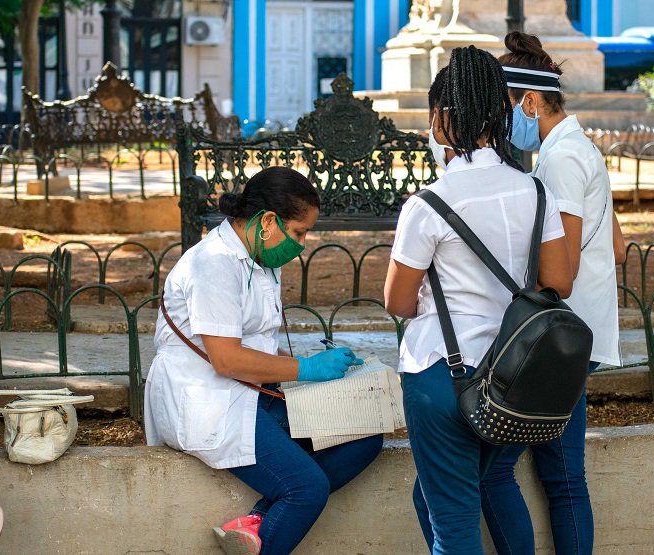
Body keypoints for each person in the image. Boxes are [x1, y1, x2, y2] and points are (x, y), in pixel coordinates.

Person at [384, 46, 574, 555]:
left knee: (453, 525)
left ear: (443, 119)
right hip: (511, 379)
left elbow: (398, 302)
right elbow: (558, 282)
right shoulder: (536, 192)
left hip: (441, 376)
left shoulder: (427, 204)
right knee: (441, 497)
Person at [144, 166, 383, 555]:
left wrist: (310, 363)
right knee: (306, 489)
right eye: (299, 232)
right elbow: (226, 359)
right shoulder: (214, 263)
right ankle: (268, 526)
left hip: (250, 393)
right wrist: (308, 369)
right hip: (208, 402)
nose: (302, 243)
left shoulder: (259, 259)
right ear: (268, 221)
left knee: (364, 437)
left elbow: (256, 343)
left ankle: (256, 523)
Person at [479, 31, 625, 555]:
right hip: (577, 336)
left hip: (554, 341)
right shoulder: (579, 149)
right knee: (563, 476)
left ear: (529, 102)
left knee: (490, 473)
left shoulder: (560, 160)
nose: (500, 123)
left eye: (503, 109)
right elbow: (618, 247)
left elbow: (562, 270)